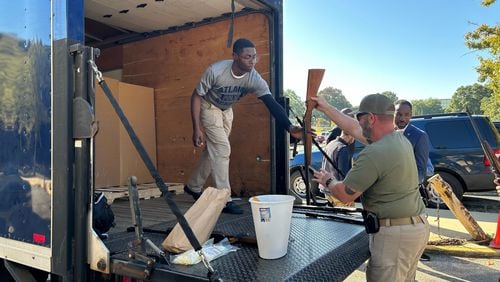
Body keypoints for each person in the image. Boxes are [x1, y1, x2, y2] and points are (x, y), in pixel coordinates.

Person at [311, 94, 430, 281]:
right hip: (416, 228)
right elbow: (353, 127)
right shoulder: (400, 140)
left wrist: (328, 181)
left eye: (360, 118)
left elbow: (345, 195)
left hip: (394, 237)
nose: (358, 123)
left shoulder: (374, 153)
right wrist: (325, 107)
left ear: (371, 118)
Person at [184, 38, 303, 214]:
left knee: (215, 150)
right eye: (247, 57)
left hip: (226, 111)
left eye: (255, 57)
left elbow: (270, 102)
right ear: (235, 56)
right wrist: (196, 128)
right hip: (209, 108)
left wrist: (290, 127)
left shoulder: (254, 78)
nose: (252, 61)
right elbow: (196, 96)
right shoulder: (216, 71)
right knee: (222, 149)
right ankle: (223, 199)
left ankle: (193, 186)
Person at [394, 99, 432, 261]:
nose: (402, 118)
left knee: (409, 227)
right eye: (399, 114)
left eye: (406, 114)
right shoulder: (386, 133)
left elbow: (421, 170)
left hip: (408, 192)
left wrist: (406, 186)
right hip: (388, 192)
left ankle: (413, 257)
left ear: (411, 116)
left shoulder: (419, 136)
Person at [321, 119, 355, 207]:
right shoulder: (343, 149)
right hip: (338, 194)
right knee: (348, 219)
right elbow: (344, 177)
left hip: (327, 190)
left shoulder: (331, 144)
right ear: (351, 134)